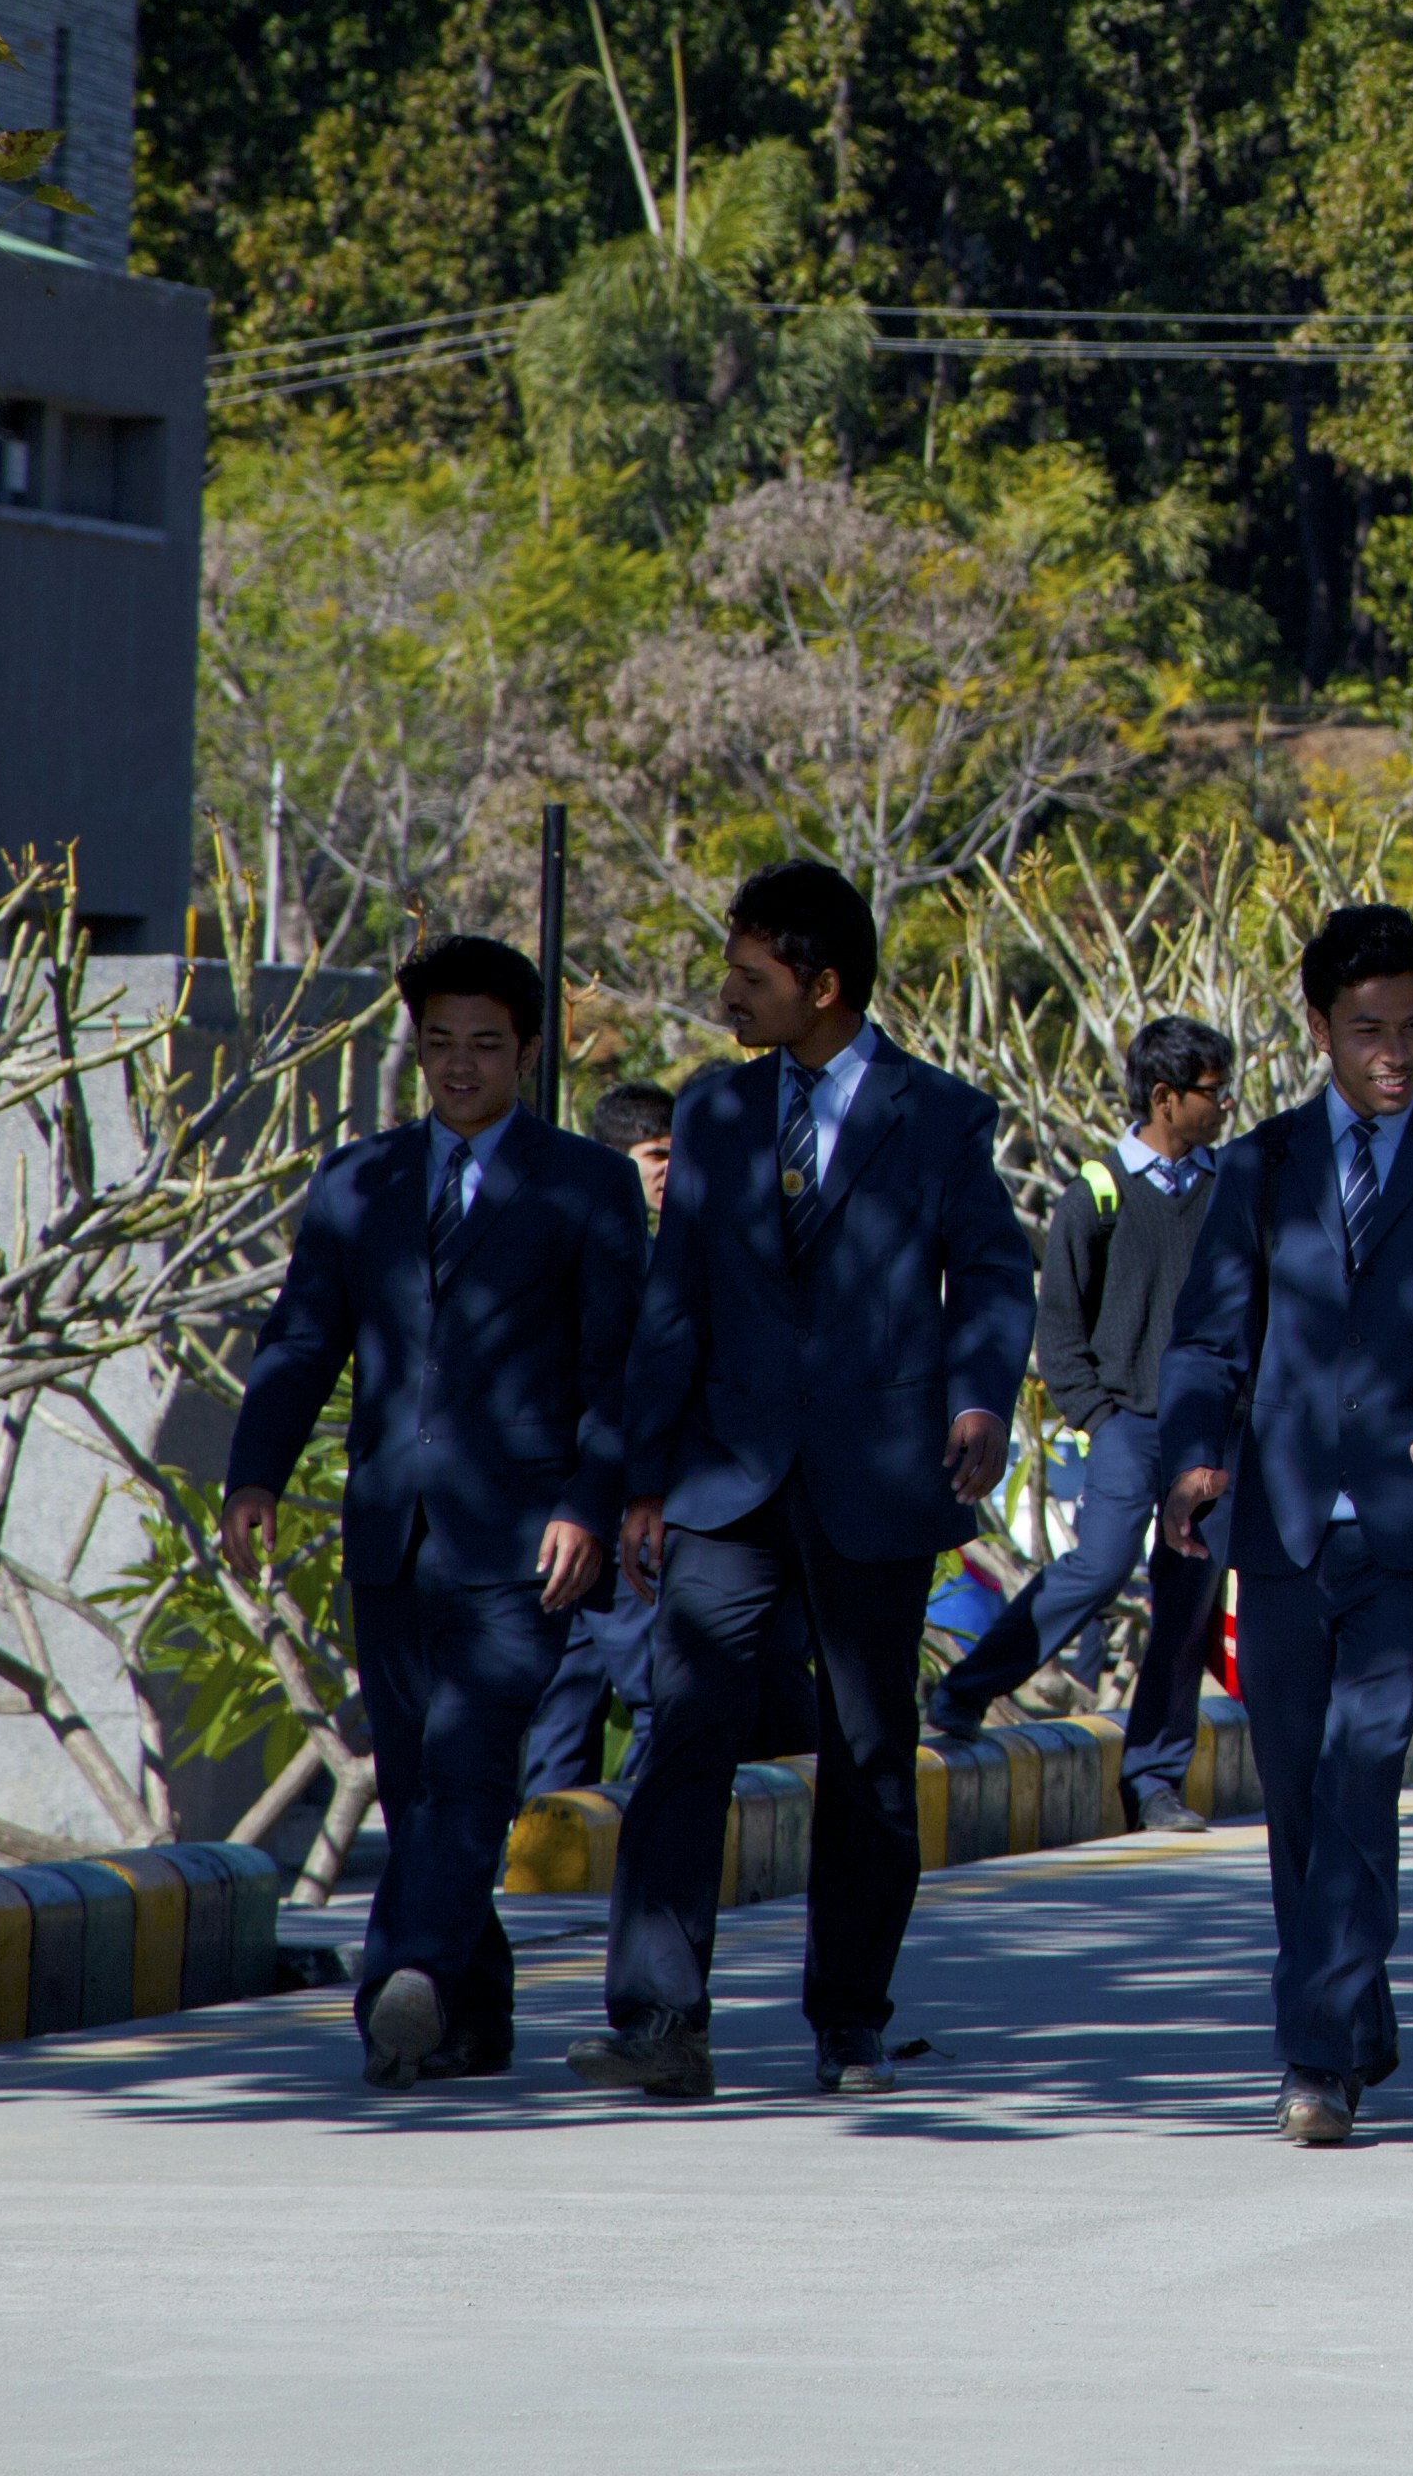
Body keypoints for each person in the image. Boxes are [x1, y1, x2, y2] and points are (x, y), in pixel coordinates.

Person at [582, 863, 1032, 2101]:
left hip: (878, 1477)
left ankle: (850, 2021)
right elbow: (675, 1304)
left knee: (871, 1752)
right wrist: (643, 1477)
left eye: (751, 976)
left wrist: (980, 1397)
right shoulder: (718, 1114)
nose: (727, 994)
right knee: (684, 1733)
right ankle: (662, 2023)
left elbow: (994, 1276)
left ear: (823, 986)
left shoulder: (938, 1118)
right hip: (725, 1481)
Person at [223, 936, 644, 2090]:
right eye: (441, 1043)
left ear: (529, 1050)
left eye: (487, 1046)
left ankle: (401, 1981)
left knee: (470, 1769)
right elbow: (304, 1337)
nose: (460, 1068)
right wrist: (253, 1473)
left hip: (529, 1539)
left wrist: (591, 1505)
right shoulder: (360, 1180)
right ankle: (472, 2014)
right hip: (391, 1527)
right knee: (414, 1784)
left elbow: (619, 1370)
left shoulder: (586, 1184)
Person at [1157, 904, 1413, 2145]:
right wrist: (1193, 1466)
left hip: (1407, 1530)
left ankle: (1313, 2059)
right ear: (1319, 1027)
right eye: (1369, 1028)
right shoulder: (1260, 1167)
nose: (1396, 1050)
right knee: (1299, 1796)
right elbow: (1213, 1341)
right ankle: (1354, 2014)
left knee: (1362, 1767)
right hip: (1277, 1527)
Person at [931, 1016, 1238, 1832]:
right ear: (1166, 1099)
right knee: (1100, 1566)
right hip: (1127, 1422)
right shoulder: (1096, 1194)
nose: (1226, 1104)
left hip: (1210, 1431)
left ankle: (1154, 1781)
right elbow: (1059, 1325)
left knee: (1187, 1599)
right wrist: (1097, 1414)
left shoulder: (1233, 1189)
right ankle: (965, 1690)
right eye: (1212, 1091)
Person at [521, 1079, 684, 1801]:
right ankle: (611, 1852)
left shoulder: (670, 1245)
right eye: (655, 1155)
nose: (668, 1173)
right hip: (602, 1508)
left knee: (575, 1696)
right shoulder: (599, 1244)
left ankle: (559, 1864)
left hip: (603, 1505)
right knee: (650, 1693)